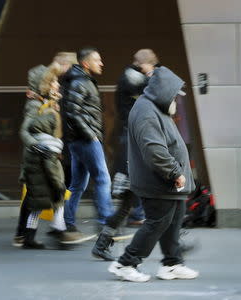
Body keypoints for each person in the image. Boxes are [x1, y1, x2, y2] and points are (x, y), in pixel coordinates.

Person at [108, 66, 199, 282]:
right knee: (157, 223)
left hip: (168, 183)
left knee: (173, 221)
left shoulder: (157, 108)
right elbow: (154, 149)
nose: (176, 99)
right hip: (159, 182)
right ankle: (126, 263)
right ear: (164, 91)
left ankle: (172, 263)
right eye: (174, 94)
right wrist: (174, 172)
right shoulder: (146, 111)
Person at [92, 49, 156, 261]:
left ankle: (102, 244)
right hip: (133, 163)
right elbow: (154, 89)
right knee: (158, 206)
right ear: (142, 64)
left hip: (130, 163)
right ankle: (174, 252)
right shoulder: (133, 80)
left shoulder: (131, 84)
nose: (152, 71)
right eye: (150, 66)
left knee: (126, 207)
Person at [14, 53, 77, 247]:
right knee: (48, 194)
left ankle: (31, 235)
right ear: (45, 84)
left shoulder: (45, 103)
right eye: (54, 82)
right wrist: (39, 145)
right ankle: (57, 231)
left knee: (44, 195)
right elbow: (25, 131)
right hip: (40, 158)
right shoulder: (35, 105)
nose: (57, 85)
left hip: (45, 156)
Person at [61, 47, 113, 232]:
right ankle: (106, 221)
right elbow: (73, 113)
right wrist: (90, 134)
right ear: (85, 63)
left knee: (78, 184)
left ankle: (68, 221)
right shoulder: (80, 82)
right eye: (97, 60)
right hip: (86, 140)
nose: (101, 63)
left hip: (78, 141)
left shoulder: (81, 81)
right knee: (103, 179)